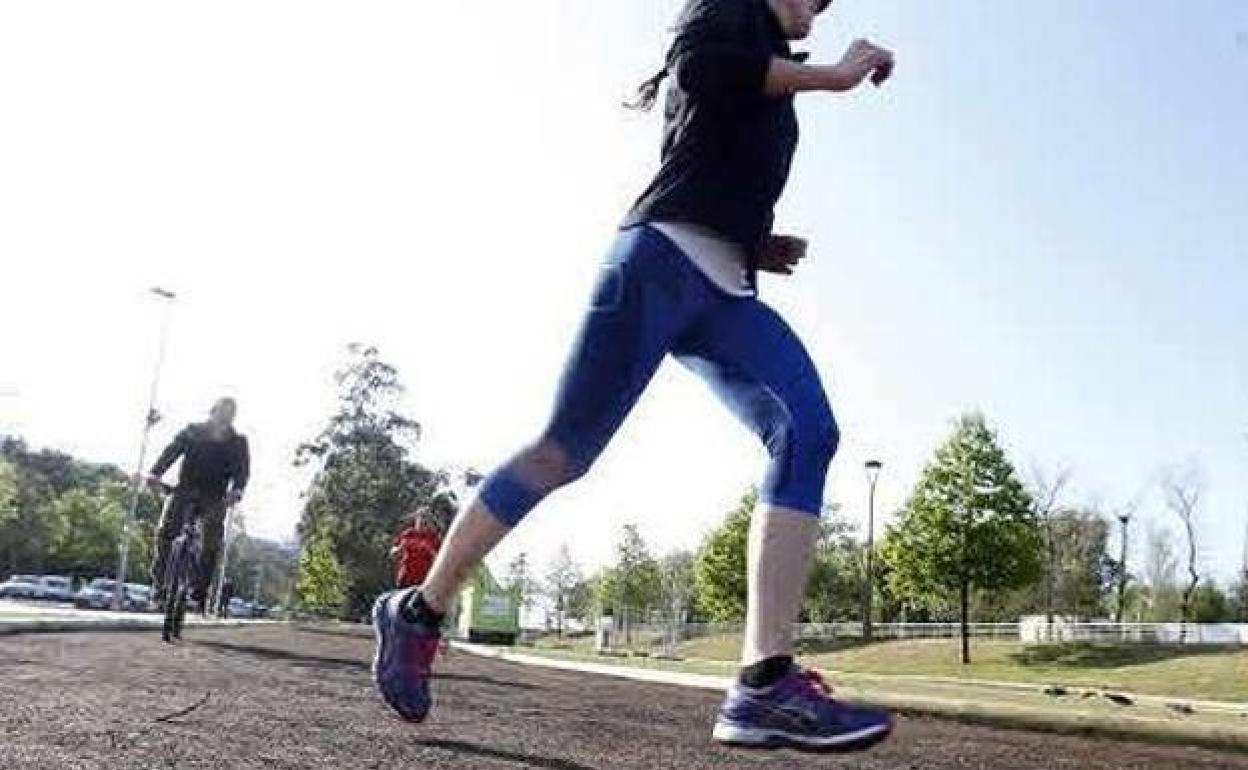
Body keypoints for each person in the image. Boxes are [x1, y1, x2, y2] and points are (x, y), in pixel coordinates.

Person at [372, 0, 895, 752]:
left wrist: (759, 241)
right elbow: (703, 72)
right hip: (655, 266)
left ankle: (763, 684)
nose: (817, 9)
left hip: (726, 289)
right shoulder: (727, 10)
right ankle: (419, 609)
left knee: (809, 431)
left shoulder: (770, 54)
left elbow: (710, 144)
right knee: (563, 453)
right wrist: (834, 76)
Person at [148, 397, 250, 613]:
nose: (225, 417)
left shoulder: (238, 442)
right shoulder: (193, 431)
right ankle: (160, 586)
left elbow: (242, 471)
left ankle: (198, 592)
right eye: (222, 411)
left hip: (215, 495)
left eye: (230, 413)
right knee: (167, 532)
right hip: (185, 488)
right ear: (212, 411)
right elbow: (172, 451)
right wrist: (156, 473)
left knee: (212, 540)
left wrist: (237, 490)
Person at [391, 512, 443, 590]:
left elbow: (440, 559)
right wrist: (397, 550)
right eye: (419, 522)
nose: (421, 525)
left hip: (424, 579)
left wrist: (429, 550)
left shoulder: (433, 538)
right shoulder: (408, 534)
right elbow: (394, 550)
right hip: (405, 578)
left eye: (424, 523)